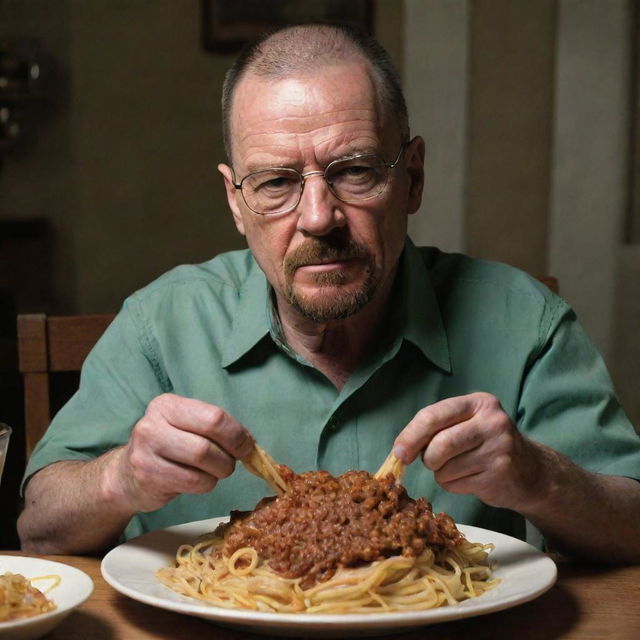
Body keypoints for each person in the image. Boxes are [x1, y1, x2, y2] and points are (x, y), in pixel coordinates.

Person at [19, 24, 640, 561]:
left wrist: (539, 476)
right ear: (236, 202)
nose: (319, 217)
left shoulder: (524, 321)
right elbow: (39, 530)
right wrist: (121, 478)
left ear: (413, 178)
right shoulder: (160, 323)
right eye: (275, 183)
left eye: (354, 171)